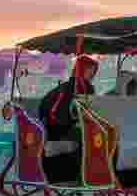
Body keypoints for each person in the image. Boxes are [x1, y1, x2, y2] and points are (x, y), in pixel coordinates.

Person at [38, 54, 99, 182]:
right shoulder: (85, 87)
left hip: (51, 132)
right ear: (82, 69)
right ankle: (88, 174)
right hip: (66, 131)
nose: (92, 75)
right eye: (90, 71)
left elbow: (43, 108)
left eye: (93, 72)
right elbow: (92, 112)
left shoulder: (62, 87)